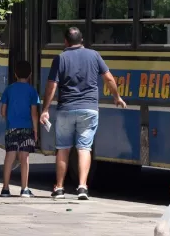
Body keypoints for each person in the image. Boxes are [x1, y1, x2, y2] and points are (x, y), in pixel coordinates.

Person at [40, 27, 126, 200]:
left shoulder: (60, 58)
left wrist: (45, 109)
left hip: (66, 108)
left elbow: (52, 86)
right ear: (82, 41)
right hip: (89, 109)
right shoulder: (94, 55)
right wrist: (116, 97)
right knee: (84, 148)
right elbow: (109, 78)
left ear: (65, 41)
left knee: (63, 149)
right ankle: (82, 187)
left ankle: (59, 188)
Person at [0, 60, 39, 198]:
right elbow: (34, 113)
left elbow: (3, 111)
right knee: (24, 158)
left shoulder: (9, 89)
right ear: (30, 74)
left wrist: (9, 119)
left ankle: (5, 188)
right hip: (26, 128)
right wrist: (35, 130)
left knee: (9, 156)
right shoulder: (32, 91)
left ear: (15, 74)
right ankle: (24, 189)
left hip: (11, 127)